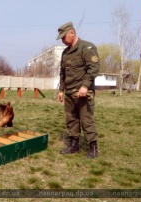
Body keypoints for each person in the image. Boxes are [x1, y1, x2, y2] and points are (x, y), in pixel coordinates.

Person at [56, 22, 100, 159]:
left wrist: (85, 86)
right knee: (71, 119)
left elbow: (93, 68)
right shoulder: (65, 53)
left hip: (82, 93)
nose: (63, 40)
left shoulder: (87, 47)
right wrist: (61, 90)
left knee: (86, 120)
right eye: (61, 38)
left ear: (72, 33)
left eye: (64, 37)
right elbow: (63, 73)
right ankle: (74, 145)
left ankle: (93, 147)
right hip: (69, 92)